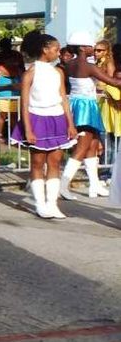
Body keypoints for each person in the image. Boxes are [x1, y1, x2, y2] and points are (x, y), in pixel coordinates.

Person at [9, 32, 76, 219]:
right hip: (37, 118)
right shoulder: (30, 72)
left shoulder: (58, 72)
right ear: (45, 50)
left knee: (55, 162)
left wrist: (70, 124)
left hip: (57, 119)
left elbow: (64, 99)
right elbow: (24, 103)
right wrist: (28, 129)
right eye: (56, 49)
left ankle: (52, 204)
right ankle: (40, 204)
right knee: (38, 163)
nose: (58, 52)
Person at [60, 32, 121, 199]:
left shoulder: (70, 64)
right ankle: (63, 184)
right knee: (82, 147)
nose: (92, 49)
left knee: (93, 145)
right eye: (89, 46)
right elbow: (114, 82)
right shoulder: (88, 66)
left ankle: (94, 185)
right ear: (81, 47)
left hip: (79, 104)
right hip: (86, 107)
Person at [97, 41, 121, 144]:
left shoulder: (109, 63)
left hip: (108, 97)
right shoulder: (97, 62)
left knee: (108, 136)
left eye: (99, 50)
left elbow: (111, 81)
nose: (96, 53)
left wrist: (105, 89)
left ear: (106, 51)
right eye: (95, 50)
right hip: (100, 98)